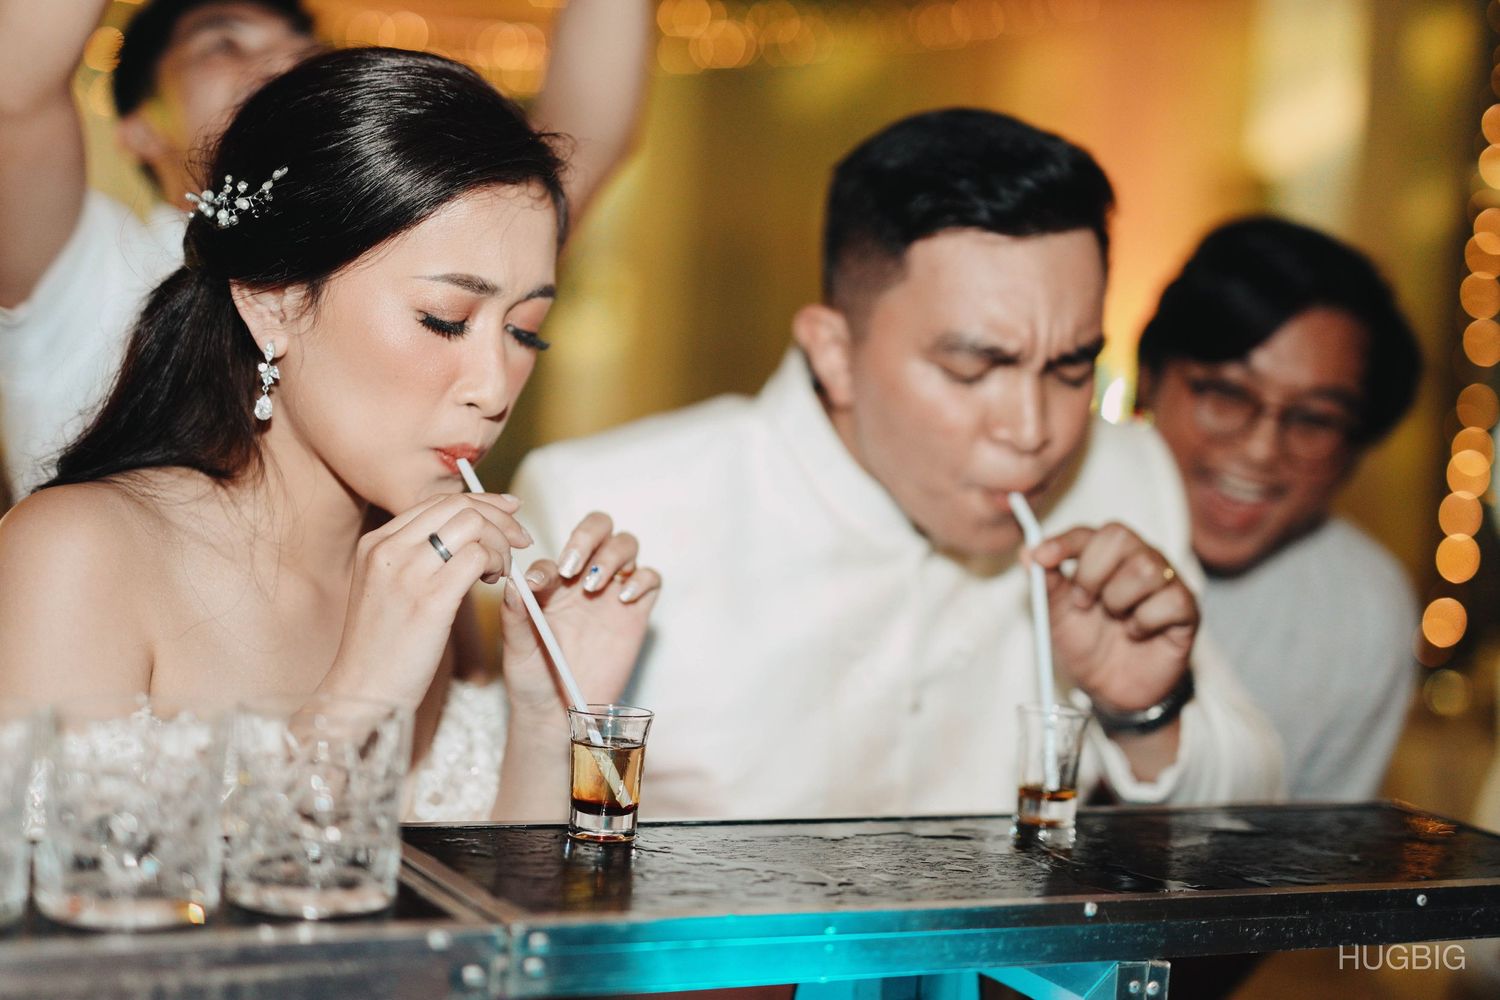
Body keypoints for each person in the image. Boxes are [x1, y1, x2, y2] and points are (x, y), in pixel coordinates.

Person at [511, 108, 1283, 820]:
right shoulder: (610, 504)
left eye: (1072, 368)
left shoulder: (1126, 475)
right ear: (834, 353)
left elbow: (1266, 809)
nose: (1033, 431)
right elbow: (512, 850)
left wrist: (1145, 713)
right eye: (973, 369)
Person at [0, 46, 661, 822]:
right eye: (444, 319)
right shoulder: (77, 554)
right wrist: (357, 705)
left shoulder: (432, 572)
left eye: (525, 331)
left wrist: (547, 719)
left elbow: (496, 899)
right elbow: (49, 896)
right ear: (272, 302)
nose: (493, 388)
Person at [0, 0, 652, 498]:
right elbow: (13, 93)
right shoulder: (88, 266)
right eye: (225, 44)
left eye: (306, 51)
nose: (285, 62)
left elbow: (581, 141)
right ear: (139, 126)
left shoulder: (408, 238)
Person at [1136, 215, 1421, 802]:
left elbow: (1312, 852)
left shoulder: (1363, 610)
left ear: (1353, 452)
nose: (1261, 450)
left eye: (1314, 419)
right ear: (1150, 380)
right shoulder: (1034, 523)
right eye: (1225, 393)